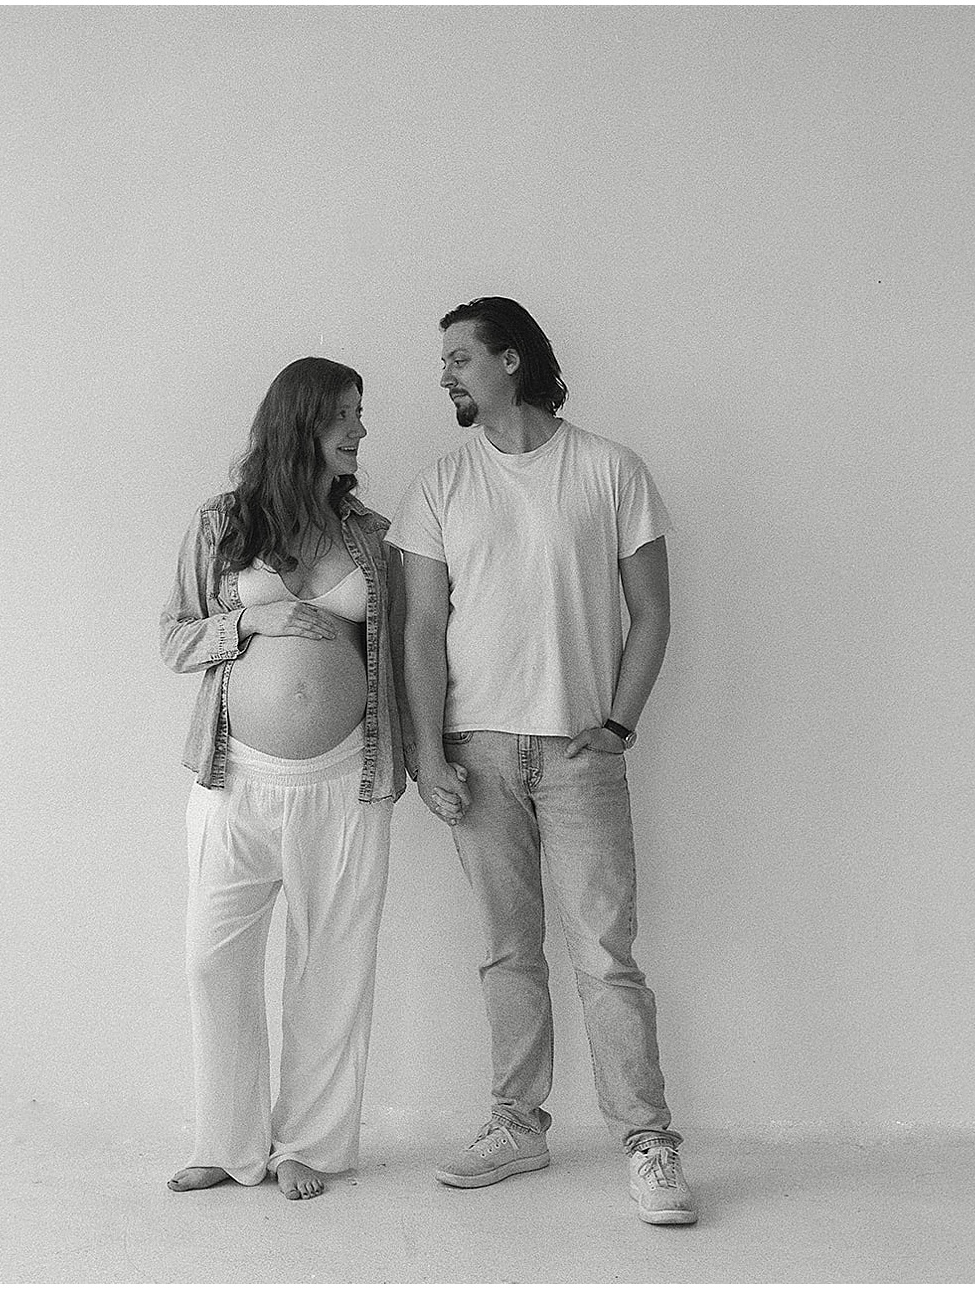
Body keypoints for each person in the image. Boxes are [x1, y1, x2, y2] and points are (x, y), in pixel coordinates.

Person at [388, 298, 696, 1225]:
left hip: (577, 748)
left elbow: (653, 612)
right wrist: (425, 750)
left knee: (605, 952)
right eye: (444, 361)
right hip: (476, 752)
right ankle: (517, 1122)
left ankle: (649, 1144)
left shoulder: (609, 469)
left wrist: (620, 721)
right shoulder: (439, 485)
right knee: (507, 949)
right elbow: (420, 633)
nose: (445, 374)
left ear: (511, 361)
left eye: (459, 357)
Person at [159, 356, 406, 1201]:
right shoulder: (221, 525)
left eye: (360, 414)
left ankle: (309, 1144)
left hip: (346, 780)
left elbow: (408, 653)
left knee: (332, 964)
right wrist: (249, 619)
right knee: (212, 961)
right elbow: (174, 639)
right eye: (347, 413)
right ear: (302, 421)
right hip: (236, 779)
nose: (361, 430)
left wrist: (428, 759)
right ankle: (229, 1144)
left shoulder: (371, 537)